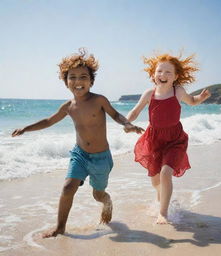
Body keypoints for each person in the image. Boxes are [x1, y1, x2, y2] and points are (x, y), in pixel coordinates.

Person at [12, 48, 144, 237]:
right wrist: (26, 128)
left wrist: (127, 124)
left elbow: (115, 114)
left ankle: (107, 202)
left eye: (83, 77)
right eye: (72, 77)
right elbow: (49, 121)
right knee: (68, 187)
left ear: (91, 81)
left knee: (98, 195)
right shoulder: (68, 107)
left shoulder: (99, 100)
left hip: (101, 159)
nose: (78, 81)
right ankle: (60, 227)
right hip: (80, 155)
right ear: (66, 82)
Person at [125, 53, 211, 224]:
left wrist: (200, 98)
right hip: (154, 139)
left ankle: (163, 213)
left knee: (165, 173)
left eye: (168, 72)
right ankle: (163, 197)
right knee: (155, 180)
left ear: (176, 77)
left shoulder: (177, 91)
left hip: (174, 139)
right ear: (153, 73)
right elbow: (135, 111)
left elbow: (192, 101)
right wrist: (126, 122)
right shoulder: (149, 93)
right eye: (159, 71)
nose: (162, 75)